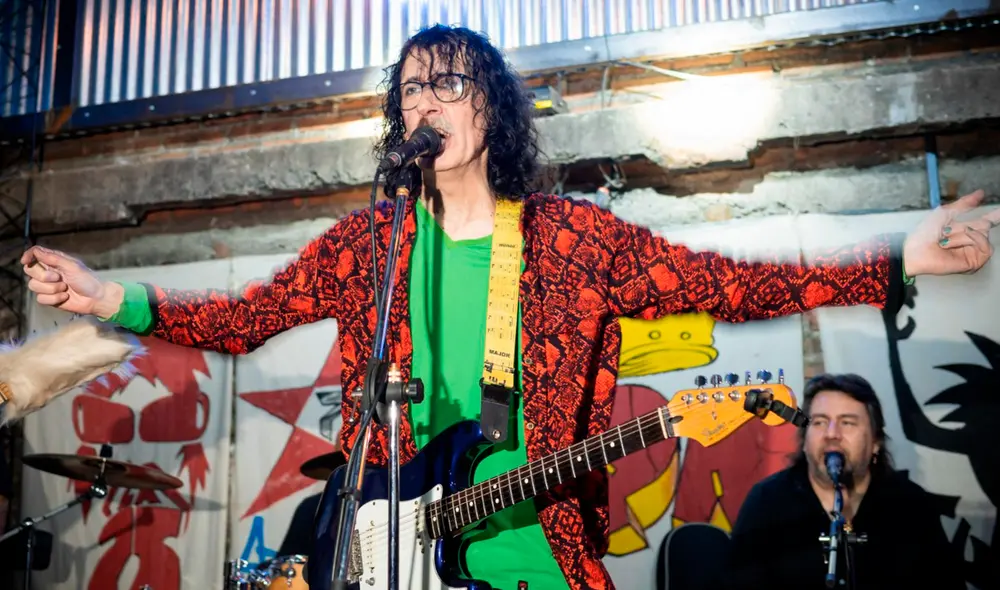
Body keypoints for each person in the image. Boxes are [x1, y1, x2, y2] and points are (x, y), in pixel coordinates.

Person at [19, 24, 998, 590]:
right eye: (410, 89)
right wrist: (110, 294)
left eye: (447, 84)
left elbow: (731, 283)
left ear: (491, 106)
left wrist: (896, 259)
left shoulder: (573, 242)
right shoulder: (368, 244)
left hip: (539, 553)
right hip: (385, 557)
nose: (424, 102)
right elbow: (246, 318)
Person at [725, 373, 967, 590]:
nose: (832, 434)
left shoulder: (911, 505)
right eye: (819, 422)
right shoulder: (766, 502)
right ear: (804, 440)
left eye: (847, 422)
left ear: (875, 442)